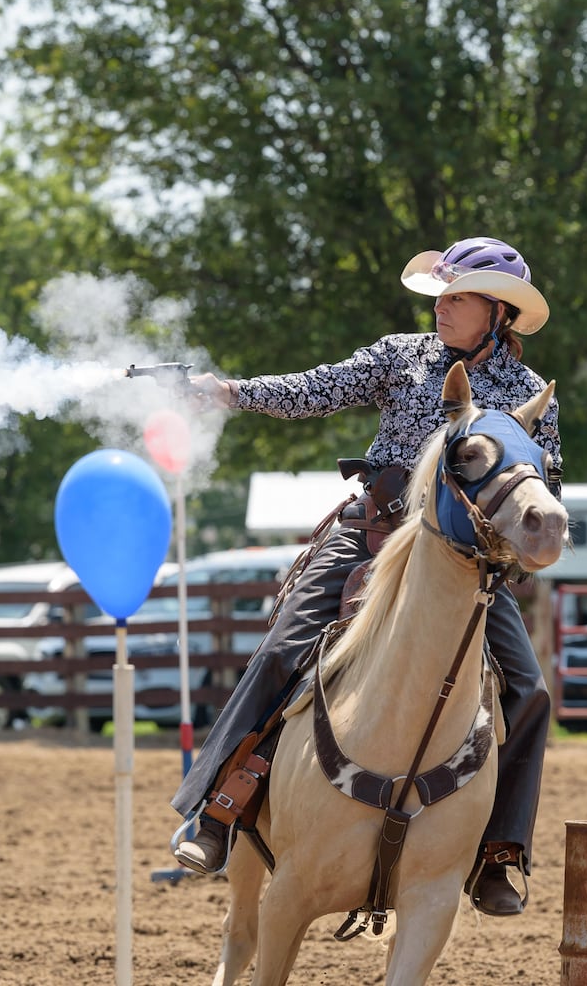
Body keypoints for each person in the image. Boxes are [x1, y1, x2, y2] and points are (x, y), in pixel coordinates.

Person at [171, 236, 564, 917]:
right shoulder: (399, 355)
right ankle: (216, 809)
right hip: (371, 536)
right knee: (281, 651)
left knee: (528, 693)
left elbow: (543, 480)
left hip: (463, 560)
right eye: (441, 294)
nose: (442, 307)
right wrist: (229, 392)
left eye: (458, 296)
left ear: (497, 311)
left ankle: (499, 851)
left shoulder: (530, 396)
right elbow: (315, 389)